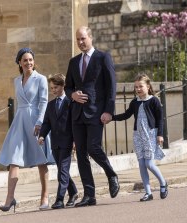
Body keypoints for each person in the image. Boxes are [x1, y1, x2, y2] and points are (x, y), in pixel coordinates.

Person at [64, 26, 120, 207]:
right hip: (77, 114)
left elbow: (111, 86)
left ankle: (111, 174)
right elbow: (67, 87)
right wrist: (72, 95)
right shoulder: (73, 62)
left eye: (83, 39)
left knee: (93, 147)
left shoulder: (103, 58)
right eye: (78, 40)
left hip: (96, 112)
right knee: (80, 154)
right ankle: (89, 195)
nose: (80, 42)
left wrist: (108, 111)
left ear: (90, 37)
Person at [0, 48, 55, 212]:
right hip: (20, 121)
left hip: (36, 121)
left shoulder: (41, 79)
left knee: (40, 160)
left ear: (34, 62)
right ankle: (9, 198)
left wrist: (40, 122)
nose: (29, 62)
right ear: (20, 63)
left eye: (31, 60)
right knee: (14, 159)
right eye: (25, 60)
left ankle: (44, 196)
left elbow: (44, 102)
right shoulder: (16, 81)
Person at [106, 73, 168, 201]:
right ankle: (148, 192)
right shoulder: (135, 102)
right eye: (136, 87)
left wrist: (160, 134)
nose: (138, 89)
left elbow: (160, 119)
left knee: (149, 163)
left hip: (150, 134)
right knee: (141, 163)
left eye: (141, 86)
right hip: (138, 135)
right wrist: (112, 118)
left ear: (148, 86)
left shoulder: (154, 100)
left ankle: (163, 183)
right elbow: (126, 115)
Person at [38, 74, 79, 209]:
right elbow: (46, 123)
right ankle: (73, 192)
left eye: (56, 87)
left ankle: (60, 199)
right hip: (55, 143)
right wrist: (42, 135)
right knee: (62, 170)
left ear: (63, 86)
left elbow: (74, 123)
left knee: (62, 172)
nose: (53, 90)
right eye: (51, 88)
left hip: (67, 142)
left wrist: (75, 141)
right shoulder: (50, 105)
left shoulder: (70, 102)